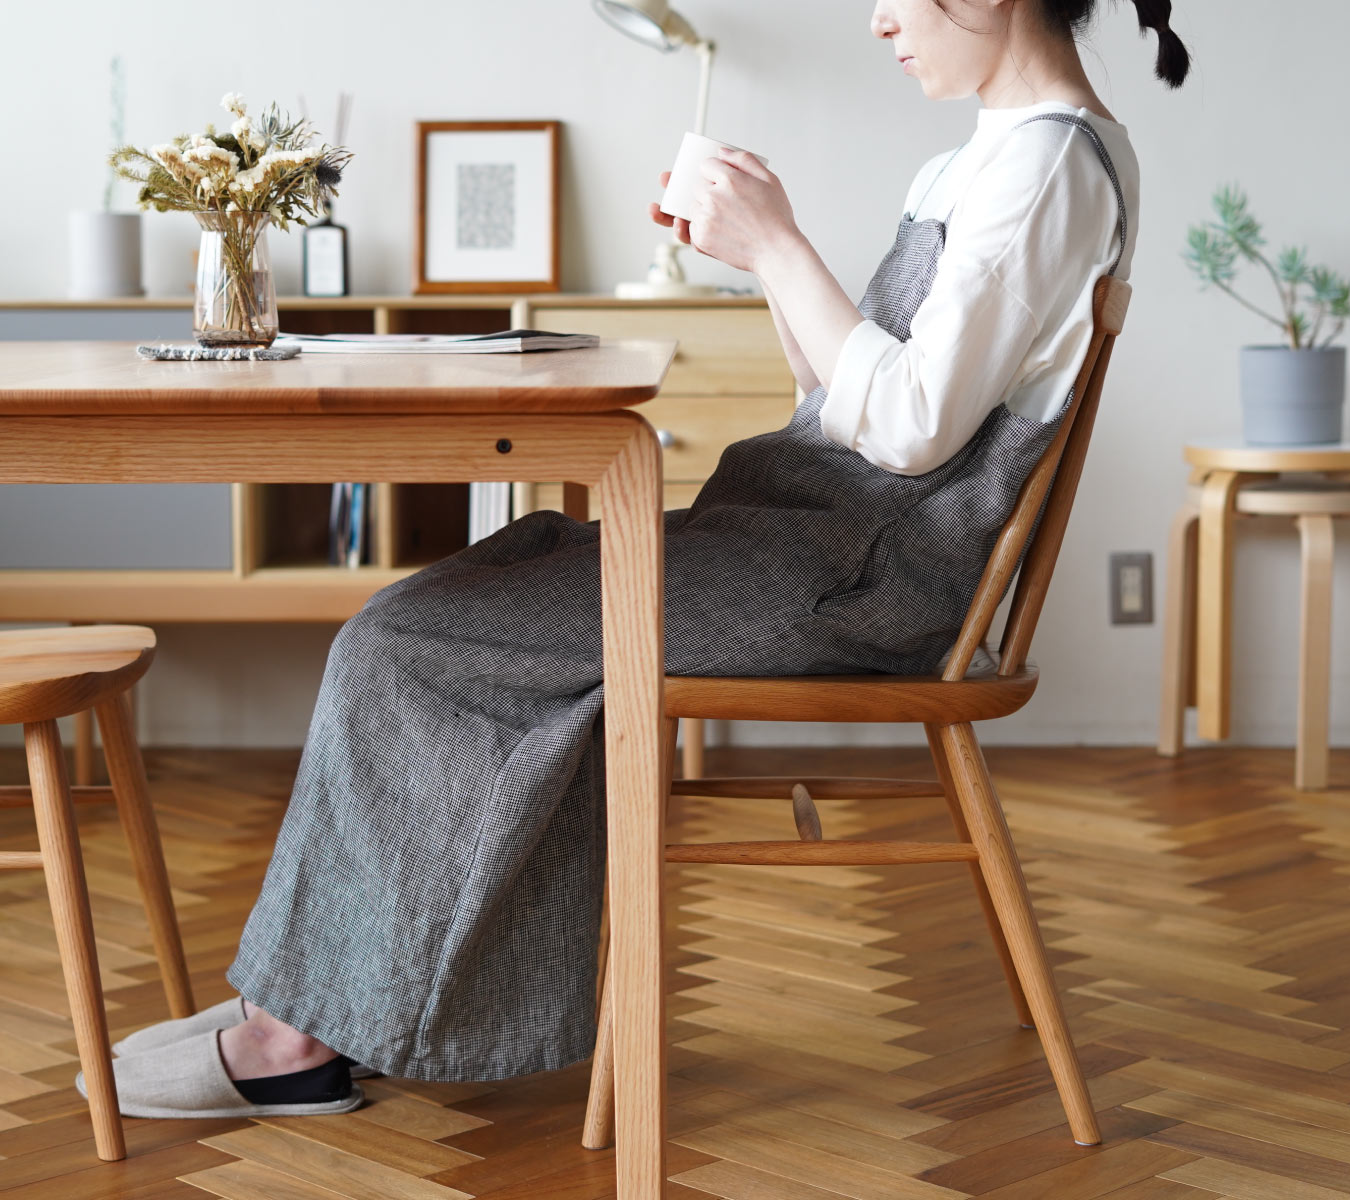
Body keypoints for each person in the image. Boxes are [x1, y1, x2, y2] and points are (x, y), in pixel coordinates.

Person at [85, 0, 1188, 1118]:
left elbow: (907, 431)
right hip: (813, 537)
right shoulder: (991, 159)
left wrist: (781, 244)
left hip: (856, 576)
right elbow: (835, 402)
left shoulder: (1045, 166)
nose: (875, 20)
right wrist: (762, 252)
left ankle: (293, 1039)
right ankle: (315, 999)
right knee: (494, 579)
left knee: (406, 638)